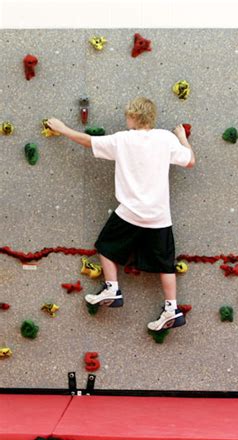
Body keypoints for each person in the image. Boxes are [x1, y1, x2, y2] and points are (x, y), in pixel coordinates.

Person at [47, 96, 195, 331]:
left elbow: (88, 141)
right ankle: (171, 309)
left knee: (106, 245)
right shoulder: (165, 139)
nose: (126, 119)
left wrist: (63, 129)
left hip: (131, 213)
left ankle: (113, 288)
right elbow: (190, 161)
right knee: (166, 264)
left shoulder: (122, 140)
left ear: (135, 117)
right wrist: (182, 138)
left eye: (127, 115)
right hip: (159, 215)